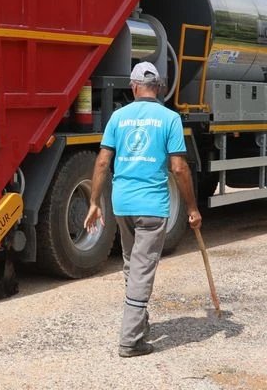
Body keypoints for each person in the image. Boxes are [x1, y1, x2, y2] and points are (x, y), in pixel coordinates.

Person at [84, 61, 201, 358]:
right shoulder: (170, 118)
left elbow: (101, 163)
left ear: (133, 87)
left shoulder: (118, 117)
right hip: (152, 207)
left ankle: (140, 325)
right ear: (159, 87)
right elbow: (179, 167)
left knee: (132, 266)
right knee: (142, 271)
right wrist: (191, 207)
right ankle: (129, 340)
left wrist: (95, 202)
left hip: (122, 204)